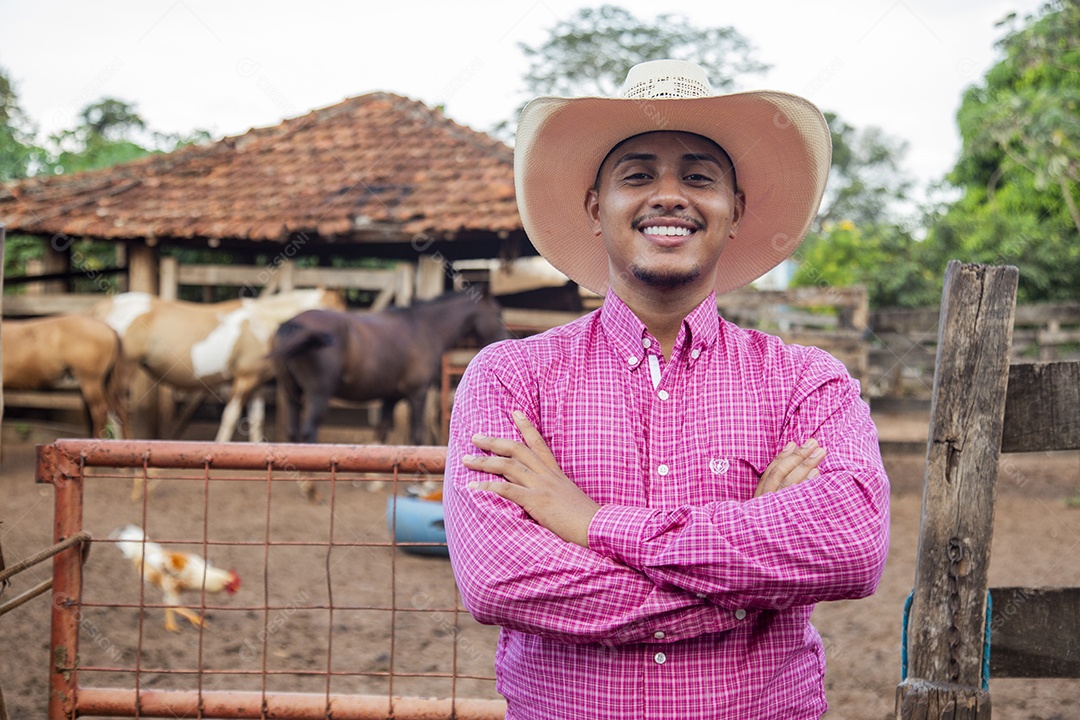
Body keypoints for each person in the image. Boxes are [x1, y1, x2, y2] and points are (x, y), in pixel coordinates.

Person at [443, 59, 890, 720]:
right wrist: (746, 577)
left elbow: (852, 547)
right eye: (639, 175)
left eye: (700, 177)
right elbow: (500, 580)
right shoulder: (511, 378)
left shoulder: (806, 382)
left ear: (735, 211)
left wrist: (591, 523)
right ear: (598, 208)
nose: (670, 195)